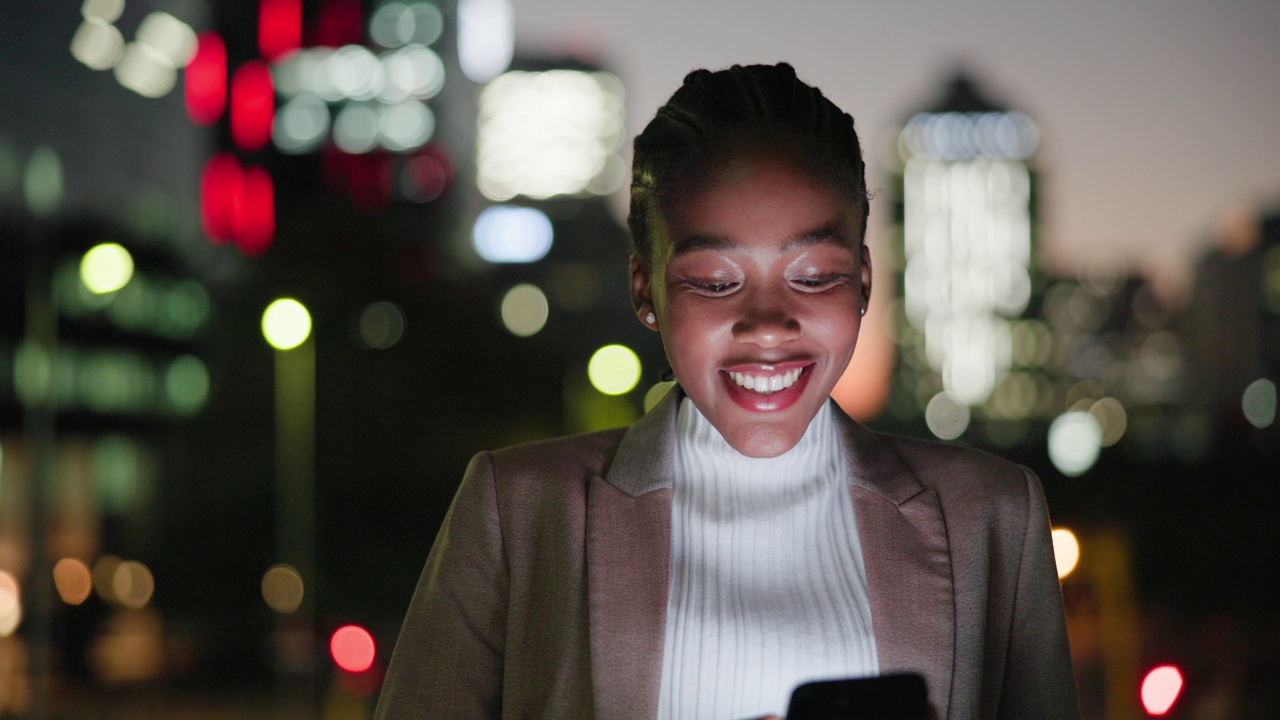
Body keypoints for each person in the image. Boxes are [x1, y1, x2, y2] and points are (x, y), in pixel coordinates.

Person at [374, 63, 1079, 720]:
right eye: (714, 282)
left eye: (814, 276)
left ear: (864, 281)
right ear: (645, 289)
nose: (768, 324)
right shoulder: (520, 509)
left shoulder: (992, 515)